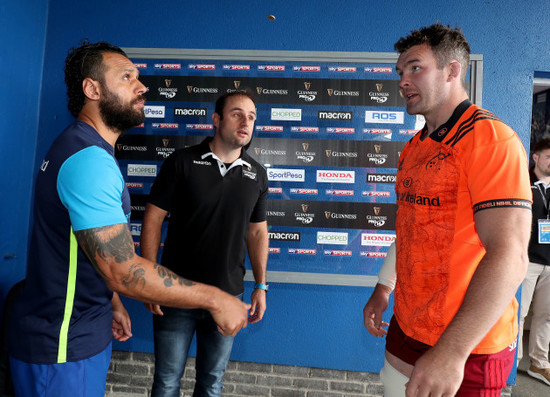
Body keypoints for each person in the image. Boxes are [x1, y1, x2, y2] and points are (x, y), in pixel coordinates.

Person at [7, 41, 250, 397]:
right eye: (126, 77)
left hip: (78, 336)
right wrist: (216, 298)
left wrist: (111, 301)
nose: (143, 86)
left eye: (138, 77)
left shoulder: (83, 149)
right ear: (92, 89)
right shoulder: (89, 160)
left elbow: (88, 249)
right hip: (61, 346)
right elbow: (122, 269)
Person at [363, 23, 532, 396]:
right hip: (407, 330)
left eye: (415, 68)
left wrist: (453, 351)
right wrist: (383, 285)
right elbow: (411, 229)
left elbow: (510, 255)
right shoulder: (414, 147)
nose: (403, 80)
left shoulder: (491, 141)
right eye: (400, 72)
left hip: (468, 347)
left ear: (452, 71)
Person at [140, 91, 269, 397]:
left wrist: (261, 286)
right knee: (167, 381)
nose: (246, 122)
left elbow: (258, 234)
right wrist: (148, 281)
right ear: (216, 119)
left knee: (212, 383)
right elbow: (153, 219)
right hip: (175, 294)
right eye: (237, 114)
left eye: (251, 117)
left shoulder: (258, 175)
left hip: (228, 295)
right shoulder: (181, 162)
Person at [517, 138, 550, 386]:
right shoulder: (522, 183)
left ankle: (539, 363)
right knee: (519, 312)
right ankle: (512, 362)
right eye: (548, 156)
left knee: (545, 316)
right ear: (535, 158)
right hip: (526, 260)